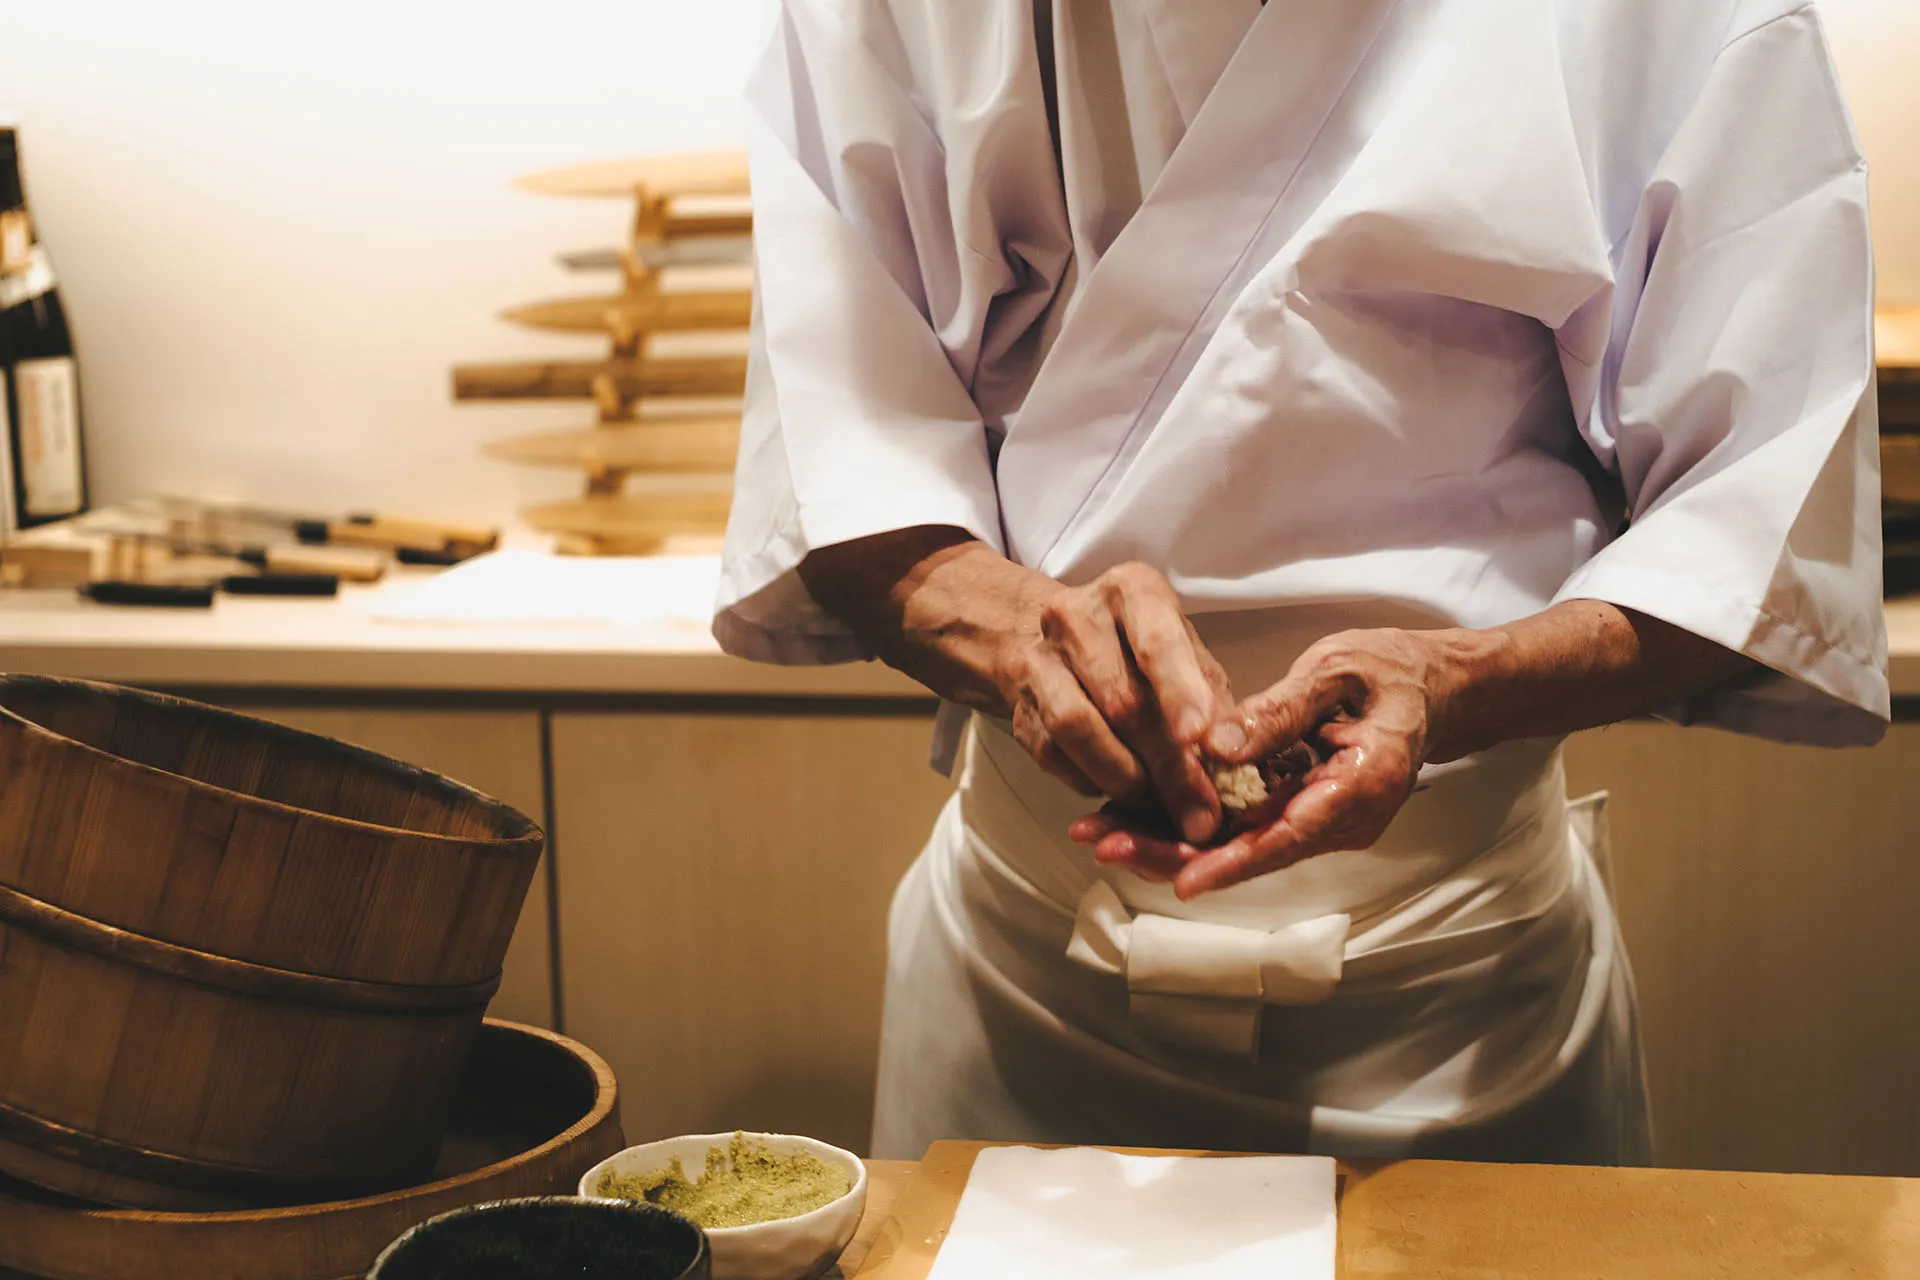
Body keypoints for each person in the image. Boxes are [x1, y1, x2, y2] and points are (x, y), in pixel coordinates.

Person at [714, 0, 1889, 1164]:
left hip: (1462, 1001)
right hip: (1024, 984)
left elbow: (1762, 523)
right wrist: (1027, 631)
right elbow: (835, 452)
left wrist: (1457, 679)